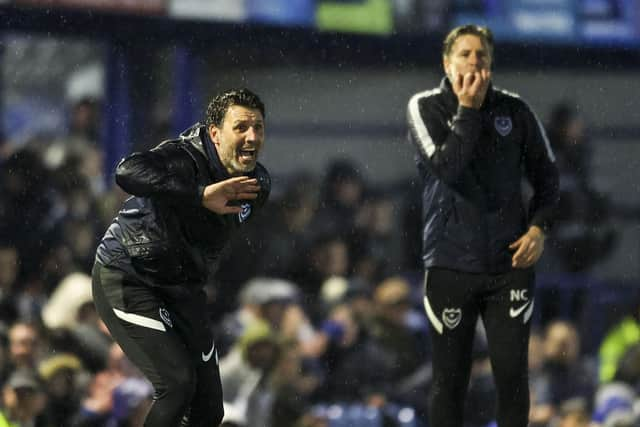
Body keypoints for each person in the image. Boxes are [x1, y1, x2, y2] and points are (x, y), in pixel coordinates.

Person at [406, 25, 559, 427]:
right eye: (465, 54)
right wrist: (468, 110)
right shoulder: (424, 106)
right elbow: (447, 167)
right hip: (450, 265)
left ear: (491, 64)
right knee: (450, 381)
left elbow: (549, 178)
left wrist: (539, 228)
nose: (475, 61)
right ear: (446, 62)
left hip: (510, 265)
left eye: (482, 56)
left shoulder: (515, 110)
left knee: (511, 377)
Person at [91, 88, 271, 427]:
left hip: (183, 287)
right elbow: (127, 172)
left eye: (258, 128)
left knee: (209, 410)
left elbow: (209, 235)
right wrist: (199, 194)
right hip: (128, 275)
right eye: (241, 127)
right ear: (215, 134)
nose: (252, 137)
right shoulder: (182, 157)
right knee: (176, 385)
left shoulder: (257, 184)